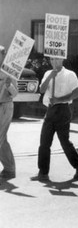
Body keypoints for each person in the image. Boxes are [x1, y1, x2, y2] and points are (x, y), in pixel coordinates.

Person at [36, 58, 78, 181]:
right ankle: (43, 172)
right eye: (52, 59)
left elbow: (76, 93)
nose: (54, 62)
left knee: (64, 141)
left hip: (63, 109)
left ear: (62, 59)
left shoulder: (70, 74)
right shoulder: (48, 73)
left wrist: (59, 99)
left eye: (57, 59)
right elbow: (42, 90)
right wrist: (50, 77)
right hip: (50, 110)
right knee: (44, 142)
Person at [0, 45, 18, 179]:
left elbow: (15, 93)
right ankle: (9, 168)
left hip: (5, 106)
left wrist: (8, 85)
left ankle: (9, 169)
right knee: (2, 139)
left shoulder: (9, 71)